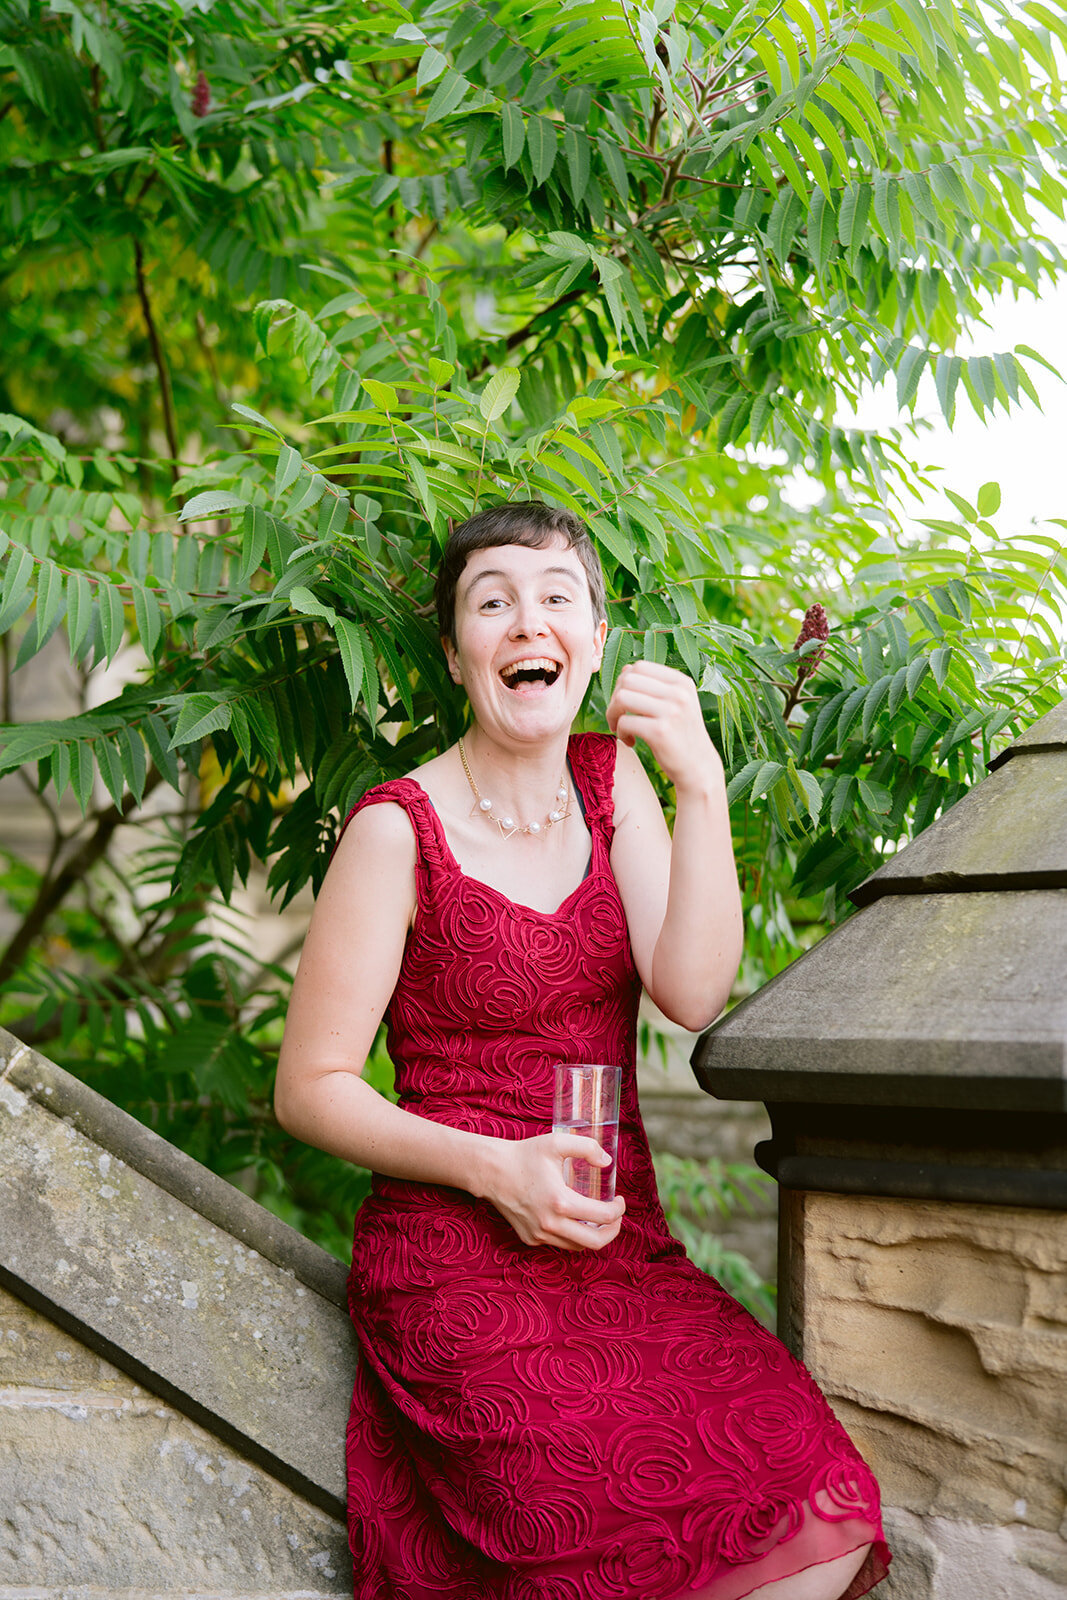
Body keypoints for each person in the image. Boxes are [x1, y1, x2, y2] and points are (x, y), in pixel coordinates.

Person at [274, 501, 891, 1600]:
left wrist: (698, 781)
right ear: (459, 650)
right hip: (452, 1262)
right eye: (492, 600)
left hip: (614, 1243)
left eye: (556, 597)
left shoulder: (616, 792)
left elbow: (693, 990)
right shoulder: (393, 830)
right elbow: (309, 1089)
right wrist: (491, 1166)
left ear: (593, 643)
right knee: (586, 1549)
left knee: (824, 1508)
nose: (527, 620)